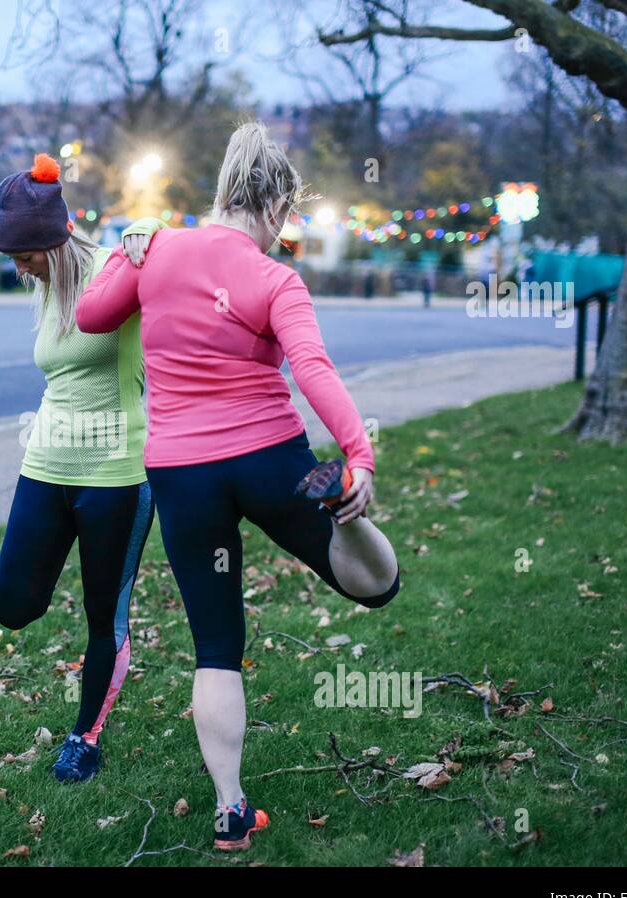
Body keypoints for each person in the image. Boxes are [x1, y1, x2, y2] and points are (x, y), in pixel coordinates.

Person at [76, 122, 401, 849]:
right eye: (287, 217)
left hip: (181, 473)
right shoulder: (275, 279)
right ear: (278, 202)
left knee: (217, 645)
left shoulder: (156, 248)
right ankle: (343, 512)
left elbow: (91, 314)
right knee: (376, 588)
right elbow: (312, 369)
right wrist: (359, 456)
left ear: (222, 189)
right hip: (268, 458)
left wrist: (133, 237)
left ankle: (230, 810)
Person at [0, 153, 164, 782]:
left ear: (53, 238)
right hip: (46, 464)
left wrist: (155, 234)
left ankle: (85, 736)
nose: (18, 267)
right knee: (13, 603)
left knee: (103, 615)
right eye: (11, 255)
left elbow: (191, 258)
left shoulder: (118, 269)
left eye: (25, 253)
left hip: (116, 472)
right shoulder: (44, 285)